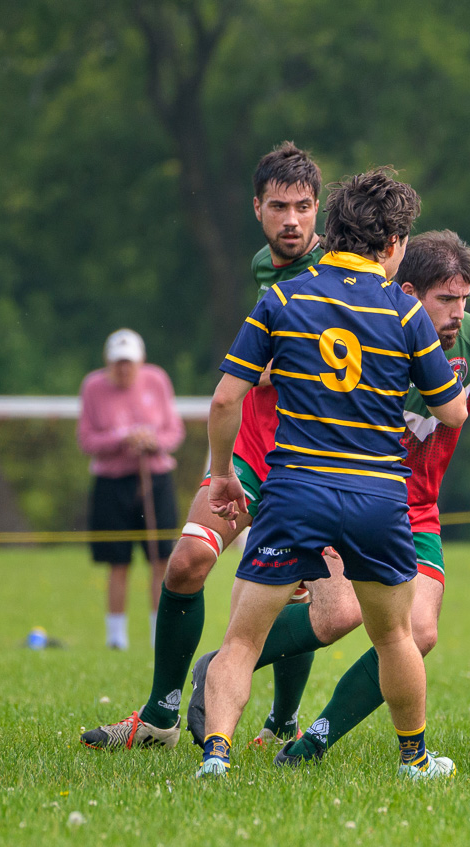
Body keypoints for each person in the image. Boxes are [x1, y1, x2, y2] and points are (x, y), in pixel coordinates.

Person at [81, 141, 357, 751]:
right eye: (280, 206)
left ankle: (276, 713)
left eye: (304, 207)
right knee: (185, 563)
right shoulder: (266, 266)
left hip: (321, 460)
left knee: (318, 600)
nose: (292, 220)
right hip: (254, 455)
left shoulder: (346, 271)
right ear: (256, 207)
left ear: (319, 211)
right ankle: (160, 717)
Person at [193, 167, 467, 780]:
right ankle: (414, 759)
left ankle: (216, 757)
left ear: (333, 228)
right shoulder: (403, 310)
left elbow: (222, 401)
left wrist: (221, 475)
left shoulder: (284, 297)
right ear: (394, 244)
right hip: (377, 494)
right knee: (395, 636)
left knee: (242, 638)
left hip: (295, 491)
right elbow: (450, 411)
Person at [275, 230, 470, 765]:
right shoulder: (369, 338)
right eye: (446, 299)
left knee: (419, 632)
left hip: (416, 511)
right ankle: (220, 670)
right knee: (336, 618)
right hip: (349, 494)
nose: (458, 313)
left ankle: (314, 740)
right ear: (406, 292)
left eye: (465, 298)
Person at [76, 328, 183, 651]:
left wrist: (153, 442)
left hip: (155, 479)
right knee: (117, 561)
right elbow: (87, 440)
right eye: (118, 363)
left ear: (141, 362)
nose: (124, 370)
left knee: (160, 559)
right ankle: (116, 639)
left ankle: (157, 635)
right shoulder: (93, 386)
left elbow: (173, 432)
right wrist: (122, 438)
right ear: (108, 362)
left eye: (130, 363)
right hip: (112, 483)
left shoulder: (157, 380)